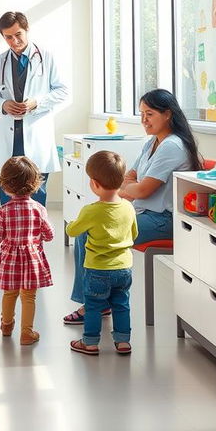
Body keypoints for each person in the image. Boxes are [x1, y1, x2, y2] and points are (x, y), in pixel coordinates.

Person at [64, 88, 203, 325]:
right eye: (141, 114)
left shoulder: (173, 146)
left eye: (149, 114)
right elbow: (127, 178)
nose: (144, 120)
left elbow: (142, 189)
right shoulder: (152, 143)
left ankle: (93, 303)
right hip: (145, 214)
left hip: (164, 221)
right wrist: (130, 186)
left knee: (88, 235)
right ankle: (99, 302)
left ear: (167, 114)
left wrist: (131, 186)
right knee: (89, 232)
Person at [0, 11, 68, 207]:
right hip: (11, 135)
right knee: (7, 189)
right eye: (8, 37)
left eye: (18, 34)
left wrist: (36, 102)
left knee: (37, 189)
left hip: (36, 131)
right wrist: (4, 105)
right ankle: (7, 235)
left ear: (27, 29)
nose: (14, 41)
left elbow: (62, 90)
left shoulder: (46, 57)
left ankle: (37, 236)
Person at [0, 156, 53, 346]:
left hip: (10, 260)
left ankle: (7, 325)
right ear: (34, 183)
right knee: (29, 296)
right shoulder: (39, 209)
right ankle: (26, 333)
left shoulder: (3, 211)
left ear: (5, 185)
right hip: (32, 260)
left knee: (9, 294)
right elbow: (49, 235)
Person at [66, 151, 137, 356]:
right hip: (123, 268)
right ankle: (123, 342)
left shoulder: (91, 210)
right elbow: (134, 233)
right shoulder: (128, 207)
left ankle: (89, 343)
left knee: (94, 306)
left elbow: (72, 231)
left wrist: (73, 223)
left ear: (94, 184)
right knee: (122, 304)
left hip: (97, 269)